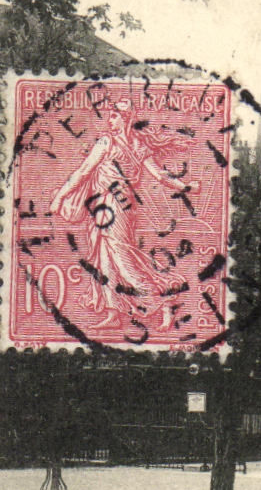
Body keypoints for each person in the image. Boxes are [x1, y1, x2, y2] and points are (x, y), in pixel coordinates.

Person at [48, 99, 197, 330]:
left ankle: (164, 301)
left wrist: (185, 186)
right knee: (104, 262)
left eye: (115, 116)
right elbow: (84, 172)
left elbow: (159, 175)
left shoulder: (121, 145)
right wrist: (60, 195)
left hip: (117, 207)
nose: (110, 120)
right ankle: (114, 312)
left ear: (126, 119)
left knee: (123, 261)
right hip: (102, 206)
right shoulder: (113, 143)